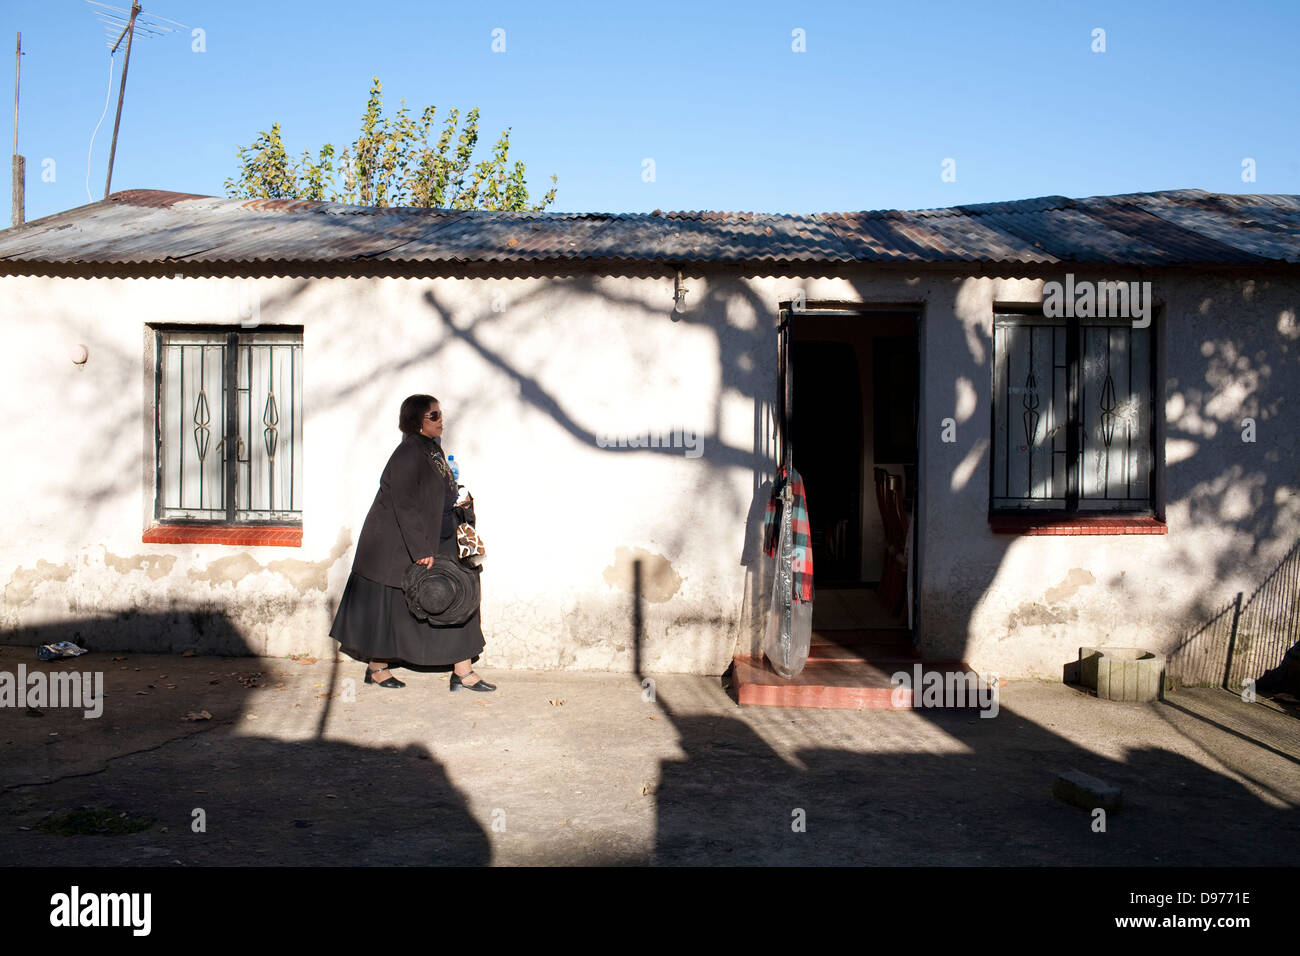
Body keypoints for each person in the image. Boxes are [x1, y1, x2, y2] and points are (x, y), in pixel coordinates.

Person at [329, 394, 496, 692]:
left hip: (433, 534)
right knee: (391, 607)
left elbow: (435, 491)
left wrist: (460, 497)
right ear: (416, 422)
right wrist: (421, 550)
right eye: (433, 415)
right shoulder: (408, 453)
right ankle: (378, 667)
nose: (440, 419)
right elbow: (404, 504)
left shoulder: (431, 449)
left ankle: (462, 670)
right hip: (396, 544)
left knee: (460, 594)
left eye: (440, 413)